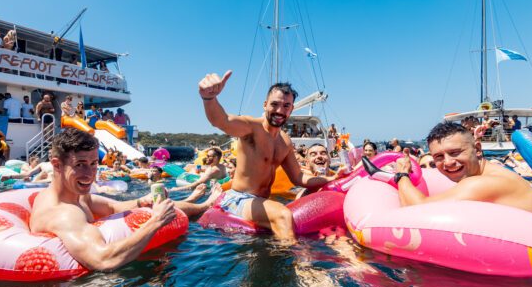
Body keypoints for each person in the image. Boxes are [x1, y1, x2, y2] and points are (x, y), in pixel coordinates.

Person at [28, 130, 219, 271]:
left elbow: (112, 206)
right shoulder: (63, 213)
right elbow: (103, 260)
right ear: (57, 165)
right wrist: (156, 222)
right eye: (80, 165)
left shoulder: (75, 194)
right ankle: (203, 204)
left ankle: (203, 204)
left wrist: (140, 202)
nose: (89, 174)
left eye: (94, 164)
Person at [198, 70, 330, 241]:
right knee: (283, 215)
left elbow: (298, 177)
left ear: (291, 109)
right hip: (238, 199)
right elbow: (221, 121)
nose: (280, 110)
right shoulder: (251, 128)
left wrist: (331, 179)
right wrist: (209, 99)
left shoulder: (285, 142)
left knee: (285, 215)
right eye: (274, 104)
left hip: (260, 202)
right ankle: (300, 266)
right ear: (265, 105)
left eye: (286, 106)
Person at [393, 122, 532, 226]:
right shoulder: (491, 173)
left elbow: (418, 209)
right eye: (439, 156)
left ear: (477, 149)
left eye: (455, 152)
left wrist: (402, 174)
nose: (447, 162)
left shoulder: (483, 183)